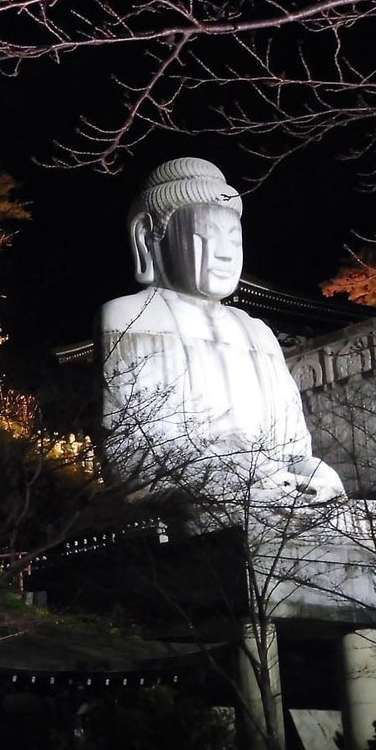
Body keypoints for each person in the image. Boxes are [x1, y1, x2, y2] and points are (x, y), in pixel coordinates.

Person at [98, 157, 346, 510]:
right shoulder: (131, 317)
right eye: (205, 236)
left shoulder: (258, 334)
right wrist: (236, 472)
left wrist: (316, 473)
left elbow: (293, 452)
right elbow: (131, 456)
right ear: (147, 237)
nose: (225, 253)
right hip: (194, 499)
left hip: (279, 492)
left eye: (234, 239)